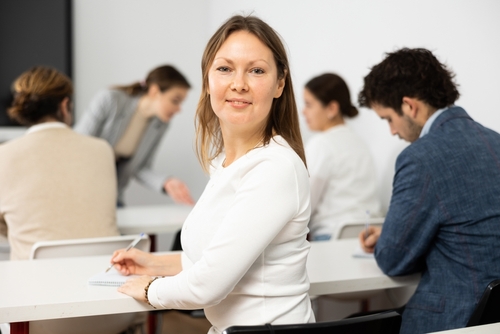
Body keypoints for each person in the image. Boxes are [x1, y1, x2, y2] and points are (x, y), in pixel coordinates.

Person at [110, 15, 315, 333]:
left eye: (256, 70)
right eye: (225, 68)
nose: (239, 83)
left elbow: (209, 284)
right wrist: (154, 263)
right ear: (207, 81)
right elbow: (216, 258)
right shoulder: (225, 163)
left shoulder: (275, 167)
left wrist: (151, 289)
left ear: (279, 84)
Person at [357, 48, 500, 333]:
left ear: (410, 106)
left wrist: (389, 239)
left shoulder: (419, 157)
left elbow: (392, 259)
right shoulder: (495, 141)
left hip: (453, 320)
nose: (392, 131)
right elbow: (468, 227)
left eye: (388, 118)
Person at [0, 66, 119, 260]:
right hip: (102, 275)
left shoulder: (3, 155)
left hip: (32, 282)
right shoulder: (102, 149)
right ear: (65, 106)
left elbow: (4, 225)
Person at [75, 65, 194, 206]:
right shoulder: (111, 99)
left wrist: (166, 182)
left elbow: (141, 167)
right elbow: (78, 143)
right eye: (175, 101)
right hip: (81, 189)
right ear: (154, 91)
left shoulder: (160, 125)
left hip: (113, 195)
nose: (178, 109)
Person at [302, 73, 381, 241]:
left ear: (331, 108)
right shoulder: (361, 144)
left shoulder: (321, 144)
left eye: (309, 105)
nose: (303, 112)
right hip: (368, 236)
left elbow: (305, 203)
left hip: (331, 237)